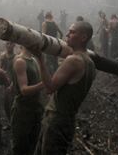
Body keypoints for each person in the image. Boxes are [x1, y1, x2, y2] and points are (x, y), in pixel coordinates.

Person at [34, 21, 97, 154]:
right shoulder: (90, 63)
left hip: (56, 120)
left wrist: (40, 58)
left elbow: (49, 88)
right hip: (67, 119)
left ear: (83, 37)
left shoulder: (73, 61)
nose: (67, 34)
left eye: (72, 32)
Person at [10, 46, 45, 155]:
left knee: (33, 145)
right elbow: (24, 90)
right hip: (23, 111)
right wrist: (45, 83)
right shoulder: (20, 61)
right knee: (21, 147)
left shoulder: (33, 60)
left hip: (36, 109)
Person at [0, 42, 16, 130]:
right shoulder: (3, 56)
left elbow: (16, 74)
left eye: (11, 44)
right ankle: (10, 123)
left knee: (13, 105)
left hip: (14, 84)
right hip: (5, 83)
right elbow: (0, 68)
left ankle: (15, 124)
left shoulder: (16, 58)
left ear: (14, 45)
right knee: (6, 105)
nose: (9, 45)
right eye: (7, 44)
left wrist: (12, 85)